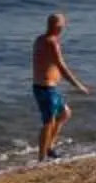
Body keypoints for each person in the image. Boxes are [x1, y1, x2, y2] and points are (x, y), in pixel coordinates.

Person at [31, 11, 90, 160]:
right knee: (48, 122)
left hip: (48, 87)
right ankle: (41, 157)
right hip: (45, 88)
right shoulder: (52, 43)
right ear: (57, 27)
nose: (63, 28)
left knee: (65, 114)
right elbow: (61, 66)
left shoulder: (40, 39)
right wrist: (78, 85)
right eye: (62, 25)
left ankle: (50, 147)